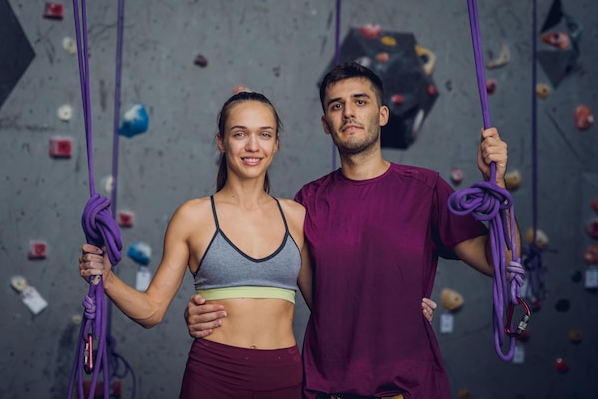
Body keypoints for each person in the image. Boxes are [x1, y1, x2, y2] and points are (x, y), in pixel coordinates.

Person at [185, 61, 520, 399]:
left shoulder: (425, 189)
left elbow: (502, 263)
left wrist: (498, 181)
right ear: (326, 124)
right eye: (336, 105)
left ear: (383, 114)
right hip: (328, 389)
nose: (348, 113)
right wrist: (204, 308)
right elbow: (266, 279)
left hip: (407, 388)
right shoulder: (308, 203)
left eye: (360, 102)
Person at [79, 92, 310, 399]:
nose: (253, 146)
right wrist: (107, 278)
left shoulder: (297, 217)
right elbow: (151, 311)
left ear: (276, 144)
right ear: (221, 142)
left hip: (283, 377)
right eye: (239, 134)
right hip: (213, 376)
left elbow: (328, 308)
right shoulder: (193, 216)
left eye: (264, 135)